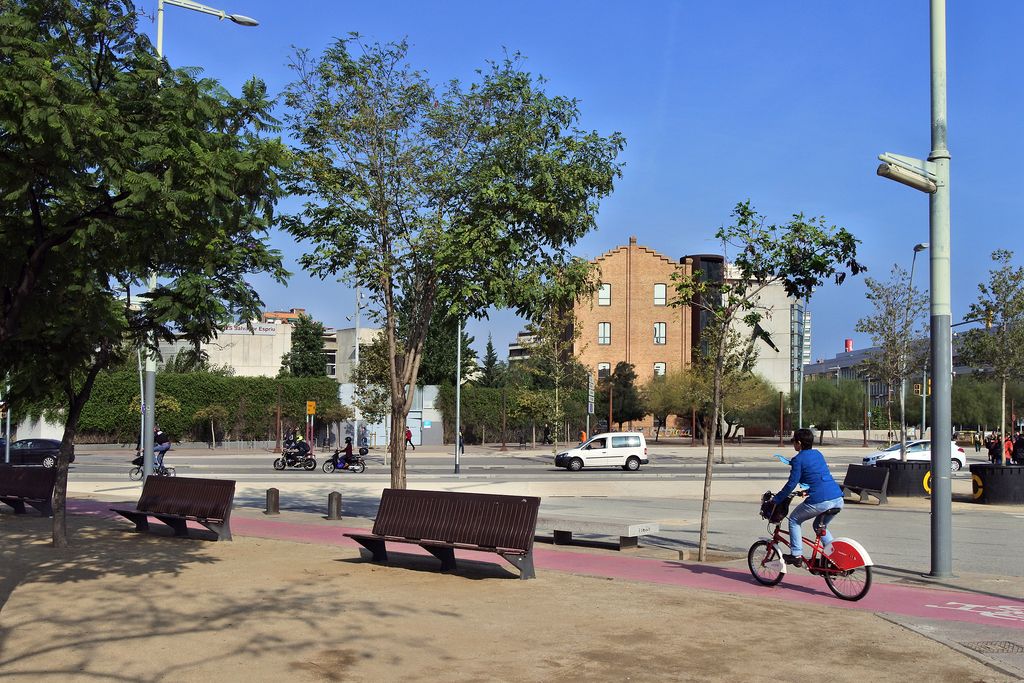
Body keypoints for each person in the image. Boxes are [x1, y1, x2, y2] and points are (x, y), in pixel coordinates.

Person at [771, 428, 844, 566]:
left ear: (799, 443)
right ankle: (833, 557)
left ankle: (796, 554)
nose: (793, 444)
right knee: (819, 526)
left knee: (794, 519)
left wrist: (777, 499)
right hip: (837, 498)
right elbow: (819, 477)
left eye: (793, 441)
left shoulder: (798, 459)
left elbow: (791, 484)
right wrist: (808, 490)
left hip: (821, 500)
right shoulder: (818, 454)